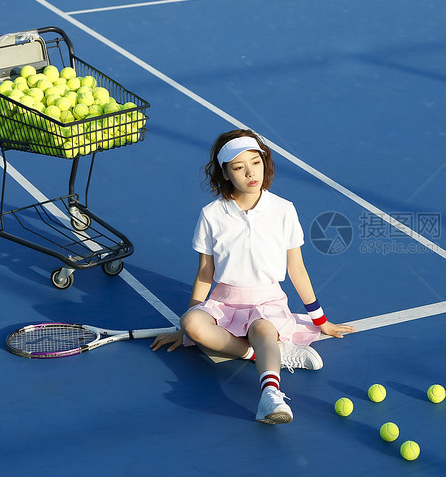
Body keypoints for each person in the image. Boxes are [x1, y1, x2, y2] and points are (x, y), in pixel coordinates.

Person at [150, 129, 355, 424]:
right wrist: (185, 327)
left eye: (255, 163)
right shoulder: (211, 214)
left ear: (264, 163)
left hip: (268, 301)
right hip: (224, 302)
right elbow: (205, 273)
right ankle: (273, 354)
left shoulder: (284, 210)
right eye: (238, 167)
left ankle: (271, 394)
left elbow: (297, 270)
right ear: (225, 173)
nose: (250, 173)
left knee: (262, 328)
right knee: (192, 323)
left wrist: (321, 322)